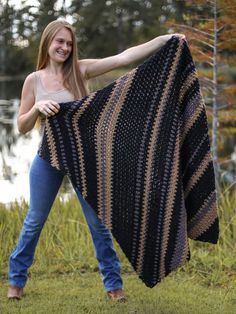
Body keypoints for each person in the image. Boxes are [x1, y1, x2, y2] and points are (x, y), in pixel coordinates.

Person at [7, 19, 184, 301]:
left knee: (98, 223)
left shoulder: (80, 71)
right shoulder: (34, 80)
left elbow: (123, 57)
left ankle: (113, 285)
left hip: (84, 159)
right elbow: (21, 126)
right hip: (48, 158)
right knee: (34, 220)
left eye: (69, 43)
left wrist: (162, 40)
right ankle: (16, 281)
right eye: (59, 42)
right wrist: (37, 109)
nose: (64, 47)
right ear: (47, 43)